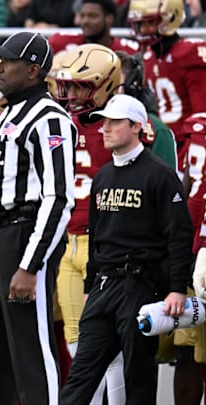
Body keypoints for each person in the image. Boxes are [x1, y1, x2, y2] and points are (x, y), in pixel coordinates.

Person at [0, 32, 75, 405]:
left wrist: (31, 265)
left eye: (8, 61)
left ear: (33, 70)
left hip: (24, 237)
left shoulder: (50, 118)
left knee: (31, 352)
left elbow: (58, 198)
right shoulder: (5, 115)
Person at [61, 93, 193, 404]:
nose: (105, 128)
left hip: (140, 284)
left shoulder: (160, 174)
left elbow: (178, 234)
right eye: (103, 122)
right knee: (81, 373)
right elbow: (98, 237)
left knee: (138, 377)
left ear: (137, 127)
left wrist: (176, 288)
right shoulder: (103, 176)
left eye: (114, 122)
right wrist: (90, 284)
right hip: (104, 285)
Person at [51, 43, 127, 404]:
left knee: (110, 345)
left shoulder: (122, 127)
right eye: (68, 86)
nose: (71, 95)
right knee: (75, 339)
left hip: (109, 245)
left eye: (81, 86)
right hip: (67, 243)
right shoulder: (56, 124)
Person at [128, 0, 206, 177]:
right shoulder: (147, 57)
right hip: (160, 142)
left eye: (151, 22)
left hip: (187, 144)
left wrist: (191, 151)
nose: (144, 30)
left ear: (170, 19)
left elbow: (202, 113)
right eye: (141, 24)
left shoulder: (190, 53)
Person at [49, 0, 140, 54]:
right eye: (82, 16)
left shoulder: (129, 50)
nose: (85, 21)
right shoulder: (60, 42)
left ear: (109, 18)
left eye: (92, 16)